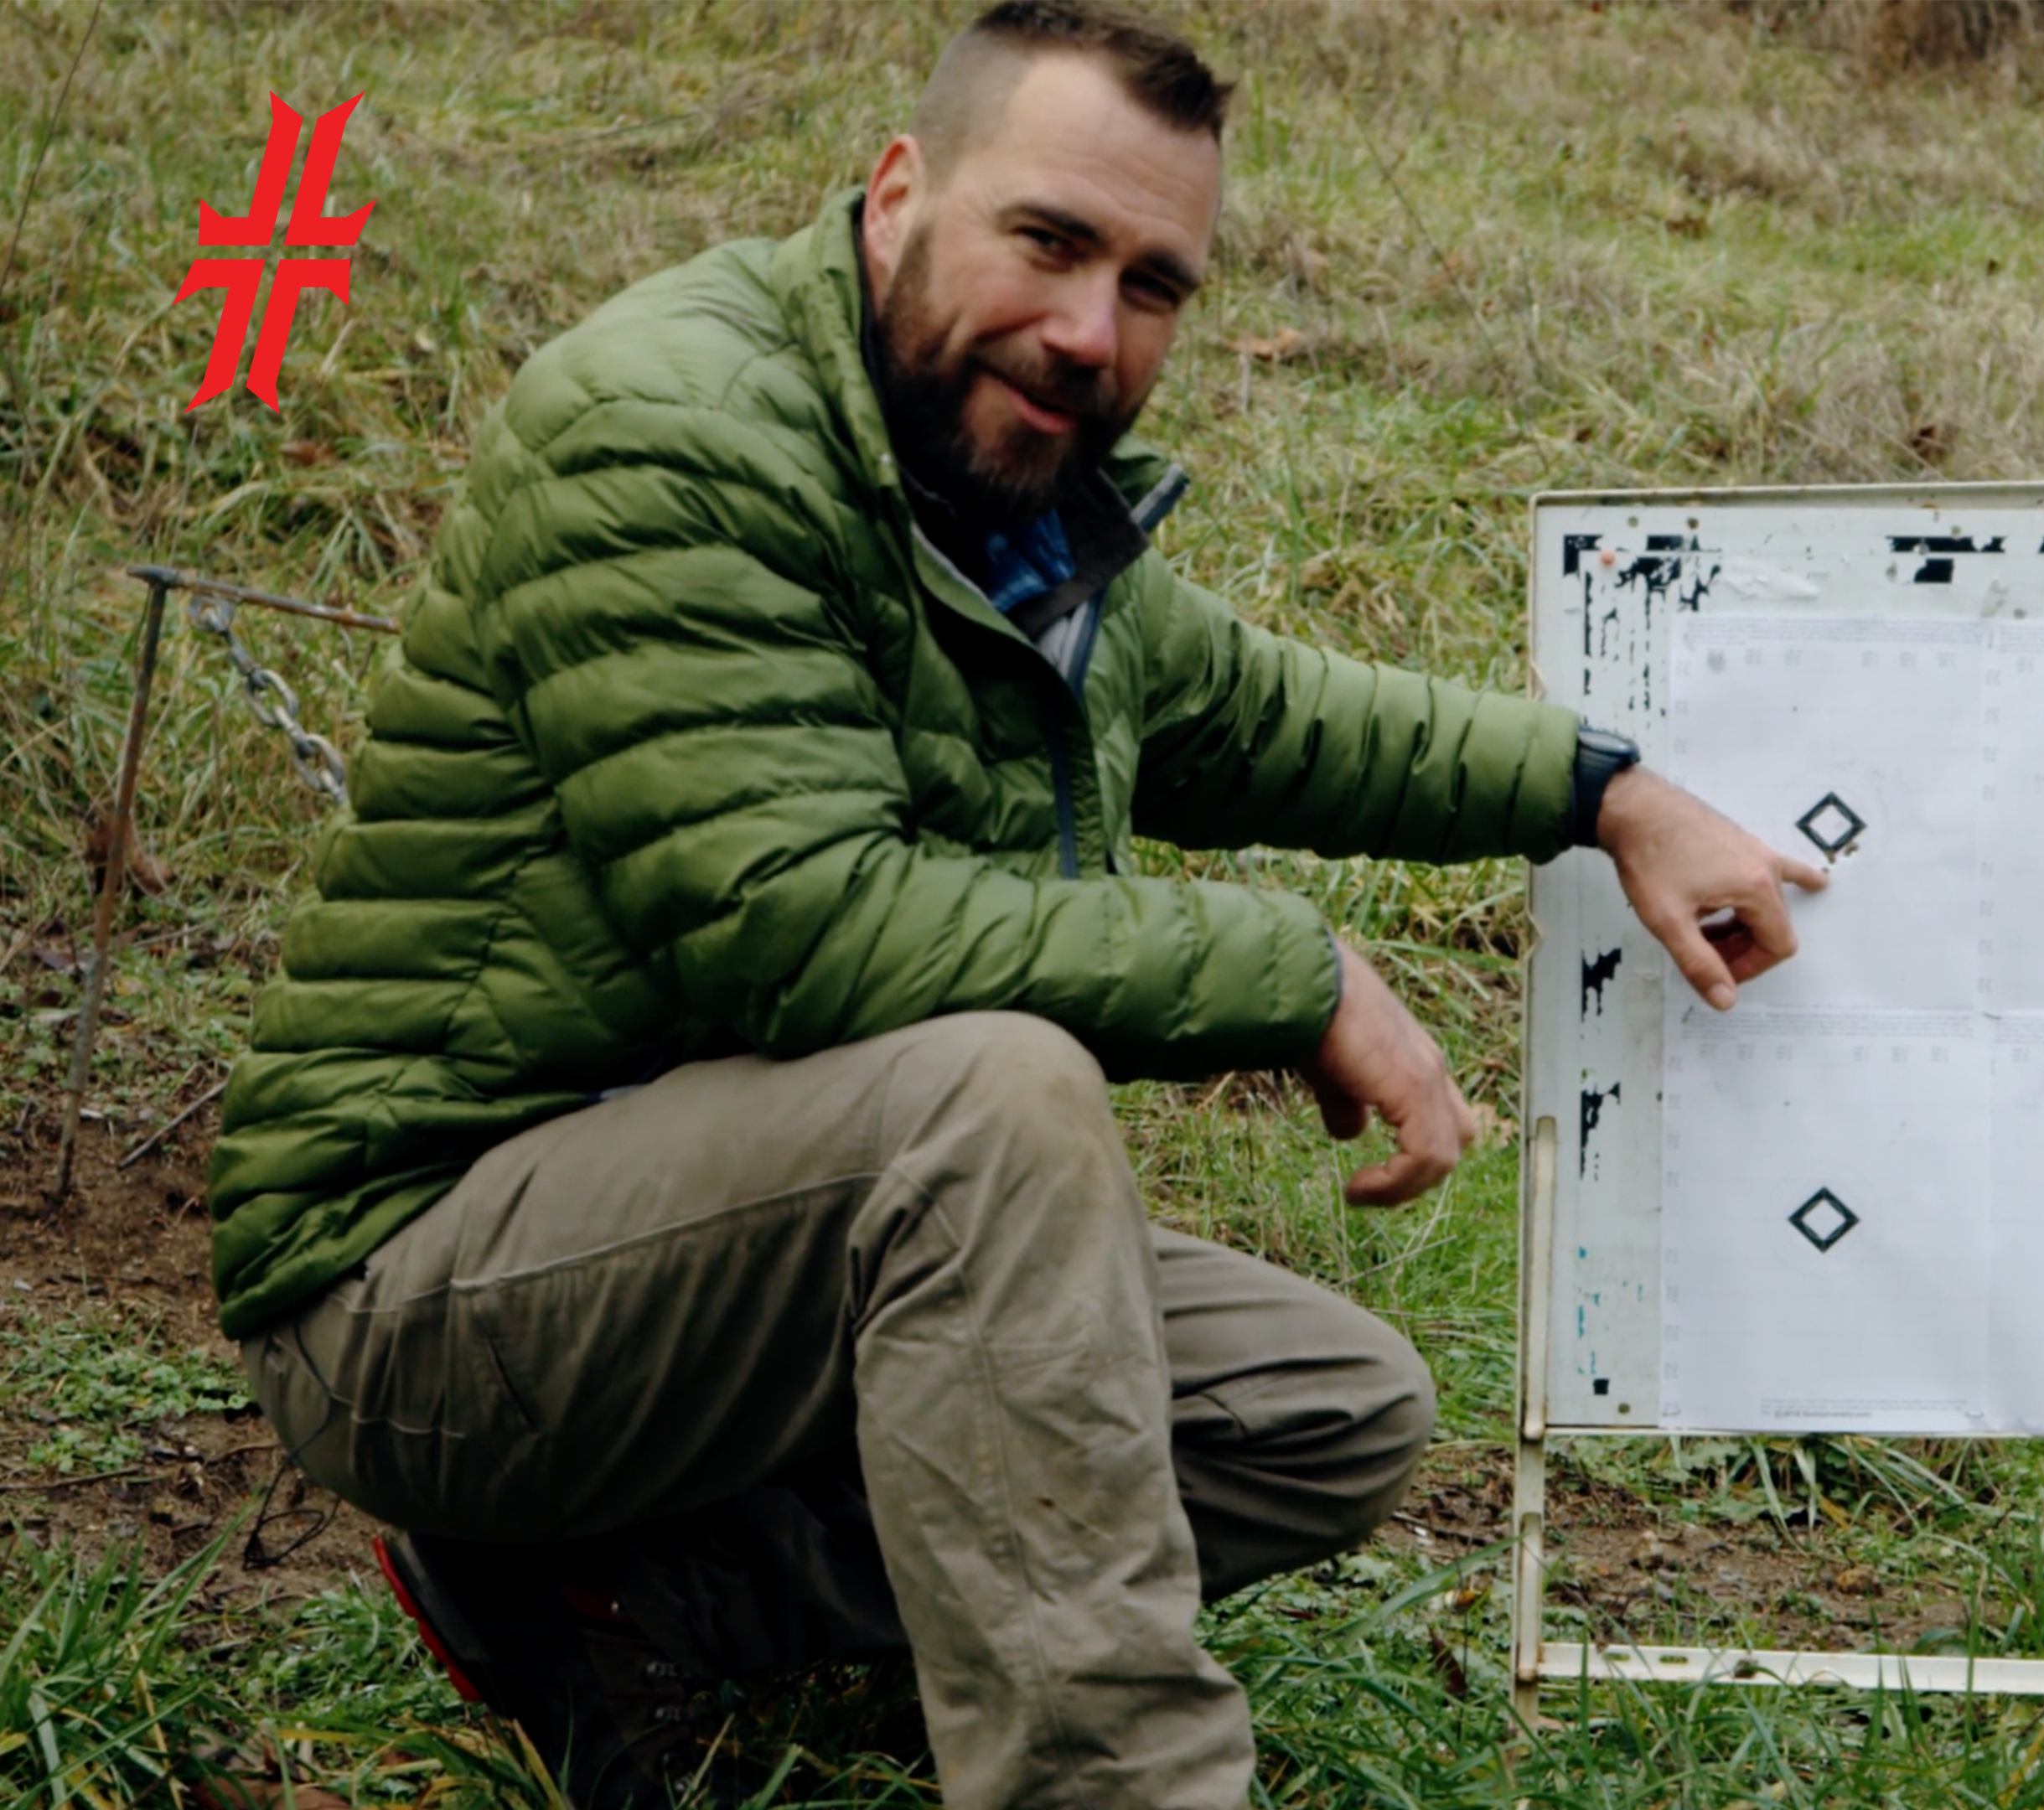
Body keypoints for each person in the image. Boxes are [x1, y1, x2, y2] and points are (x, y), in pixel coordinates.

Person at [204, 5, 1825, 1806]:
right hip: (423, 1287)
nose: (1087, 331)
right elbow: (802, 930)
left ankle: (607, 1599)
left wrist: (1608, 792)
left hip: (727, 1249)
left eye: (1152, 284)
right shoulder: (677, 428)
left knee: (1317, 1408)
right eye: (1049, 241)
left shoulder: (1000, 493)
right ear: (901, 191)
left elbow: (1266, 714)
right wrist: (1291, 972)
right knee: (987, 1101)